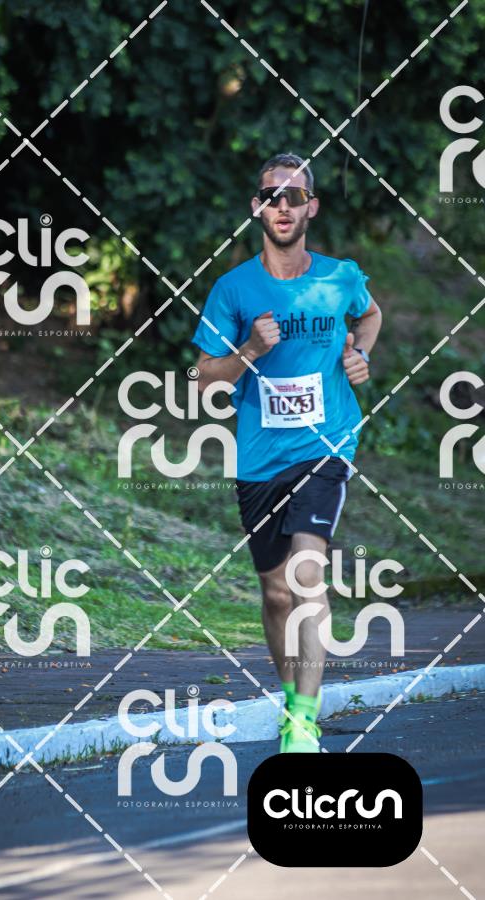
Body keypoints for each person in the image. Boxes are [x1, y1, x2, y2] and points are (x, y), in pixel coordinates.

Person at [191, 152, 382, 752]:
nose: (282, 205)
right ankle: (290, 697)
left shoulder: (340, 276)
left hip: (327, 444)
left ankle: (303, 718)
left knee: (307, 574)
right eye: (272, 196)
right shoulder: (233, 289)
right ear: (257, 207)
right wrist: (249, 349)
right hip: (259, 458)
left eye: (294, 196)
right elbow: (204, 378)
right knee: (276, 593)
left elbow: (371, 314)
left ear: (311, 208)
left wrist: (359, 354)